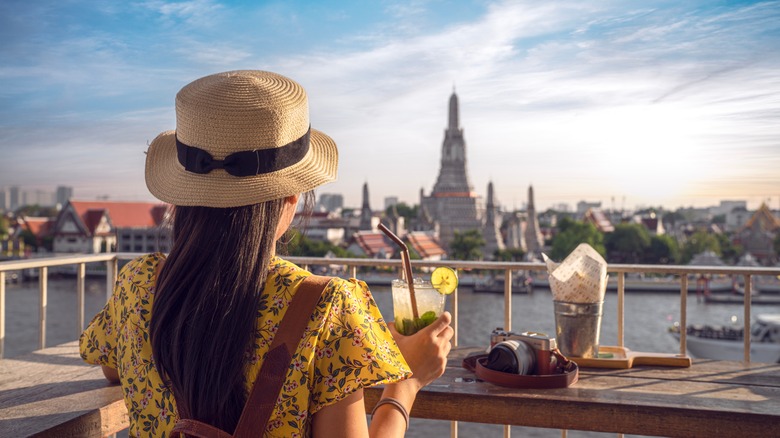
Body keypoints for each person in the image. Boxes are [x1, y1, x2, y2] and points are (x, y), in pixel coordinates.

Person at [79, 70, 454, 437]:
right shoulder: (326, 308)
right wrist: (408, 381)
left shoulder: (138, 283)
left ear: (184, 194)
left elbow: (110, 364)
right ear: (292, 195)